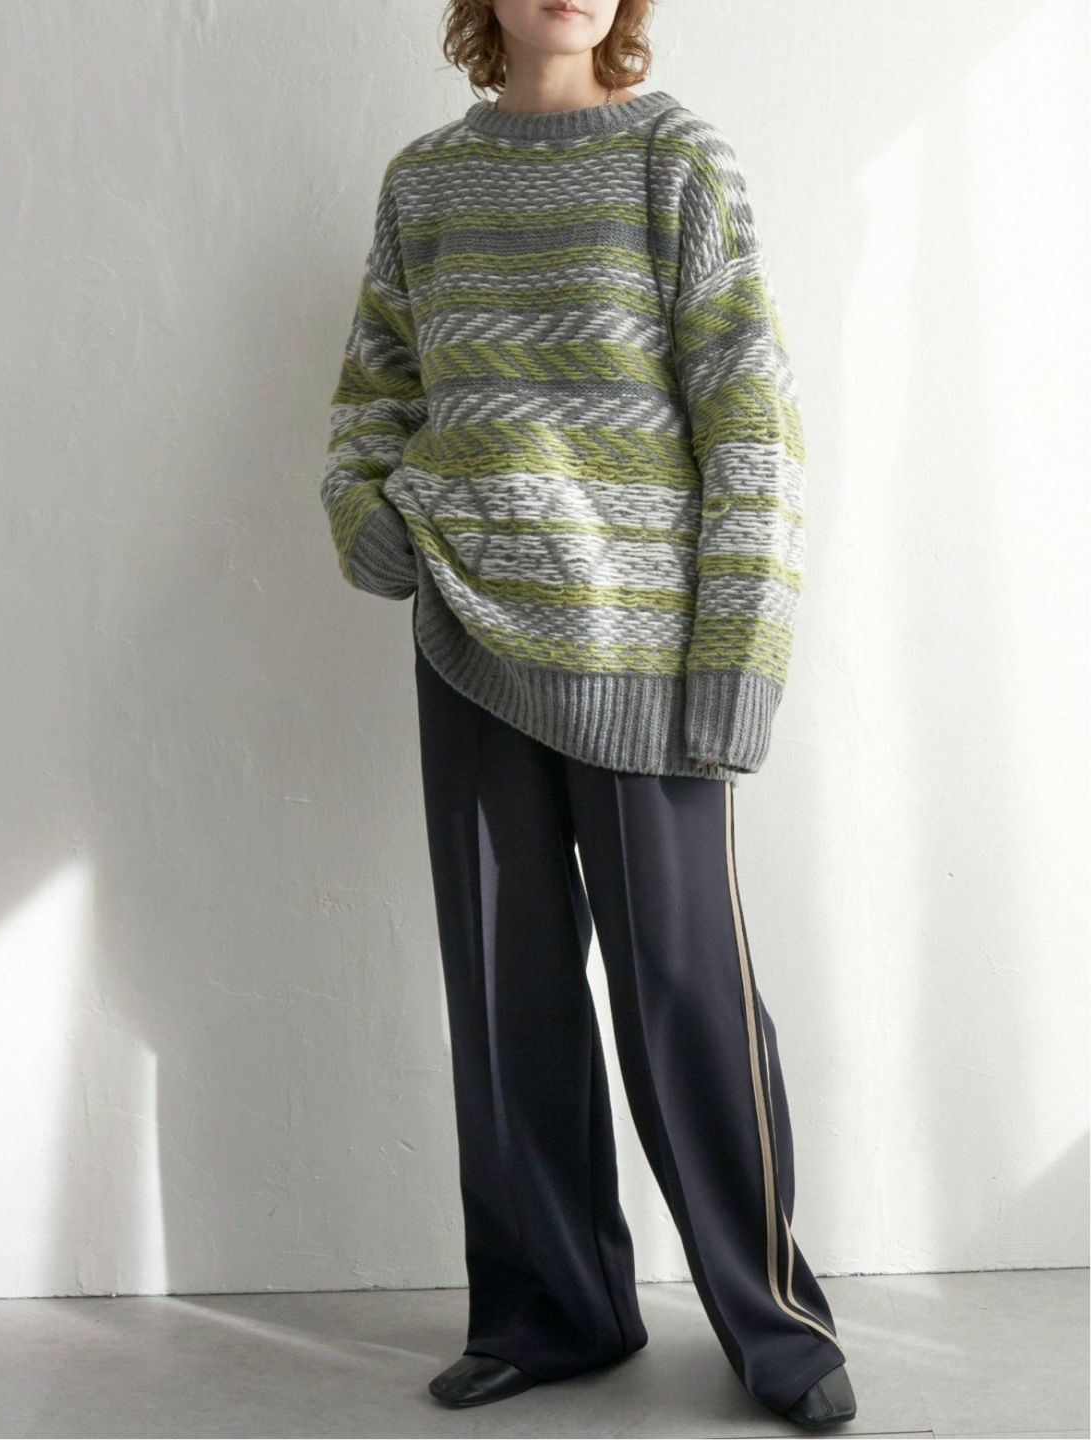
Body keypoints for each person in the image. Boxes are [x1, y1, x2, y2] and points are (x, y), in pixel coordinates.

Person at [319, 0, 856, 1429]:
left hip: (645, 656)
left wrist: (740, 655)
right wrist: (367, 512)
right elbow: (376, 385)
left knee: (688, 993)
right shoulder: (425, 184)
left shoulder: (678, 161)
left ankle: (776, 1326)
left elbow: (753, 419)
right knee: (508, 997)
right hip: (465, 633)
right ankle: (554, 1311)